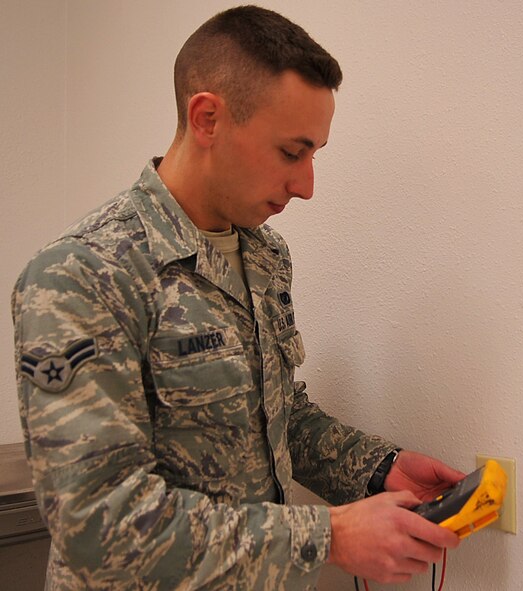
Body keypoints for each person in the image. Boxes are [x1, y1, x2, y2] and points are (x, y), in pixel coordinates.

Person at [12, 6, 463, 590]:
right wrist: (329, 536)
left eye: (314, 156)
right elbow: (98, 524)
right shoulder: (84, 273)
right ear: (207, 118)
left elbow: (274, 416)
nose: (306, 186)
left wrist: (378, 469)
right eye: (290, 152)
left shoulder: (264, 255)